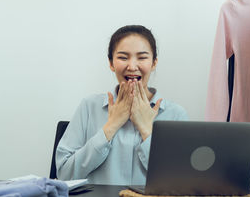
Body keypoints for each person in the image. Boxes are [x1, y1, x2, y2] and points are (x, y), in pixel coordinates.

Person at [55, 25, 188, 185]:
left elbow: (180, 183)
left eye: (142, 57)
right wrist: (111, 126)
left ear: (154, 63)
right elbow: (64, 174)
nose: (132, 66)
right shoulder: (88, 107)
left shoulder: (176, 114)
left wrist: (146, 131)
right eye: (123, 58)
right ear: (111, 63)